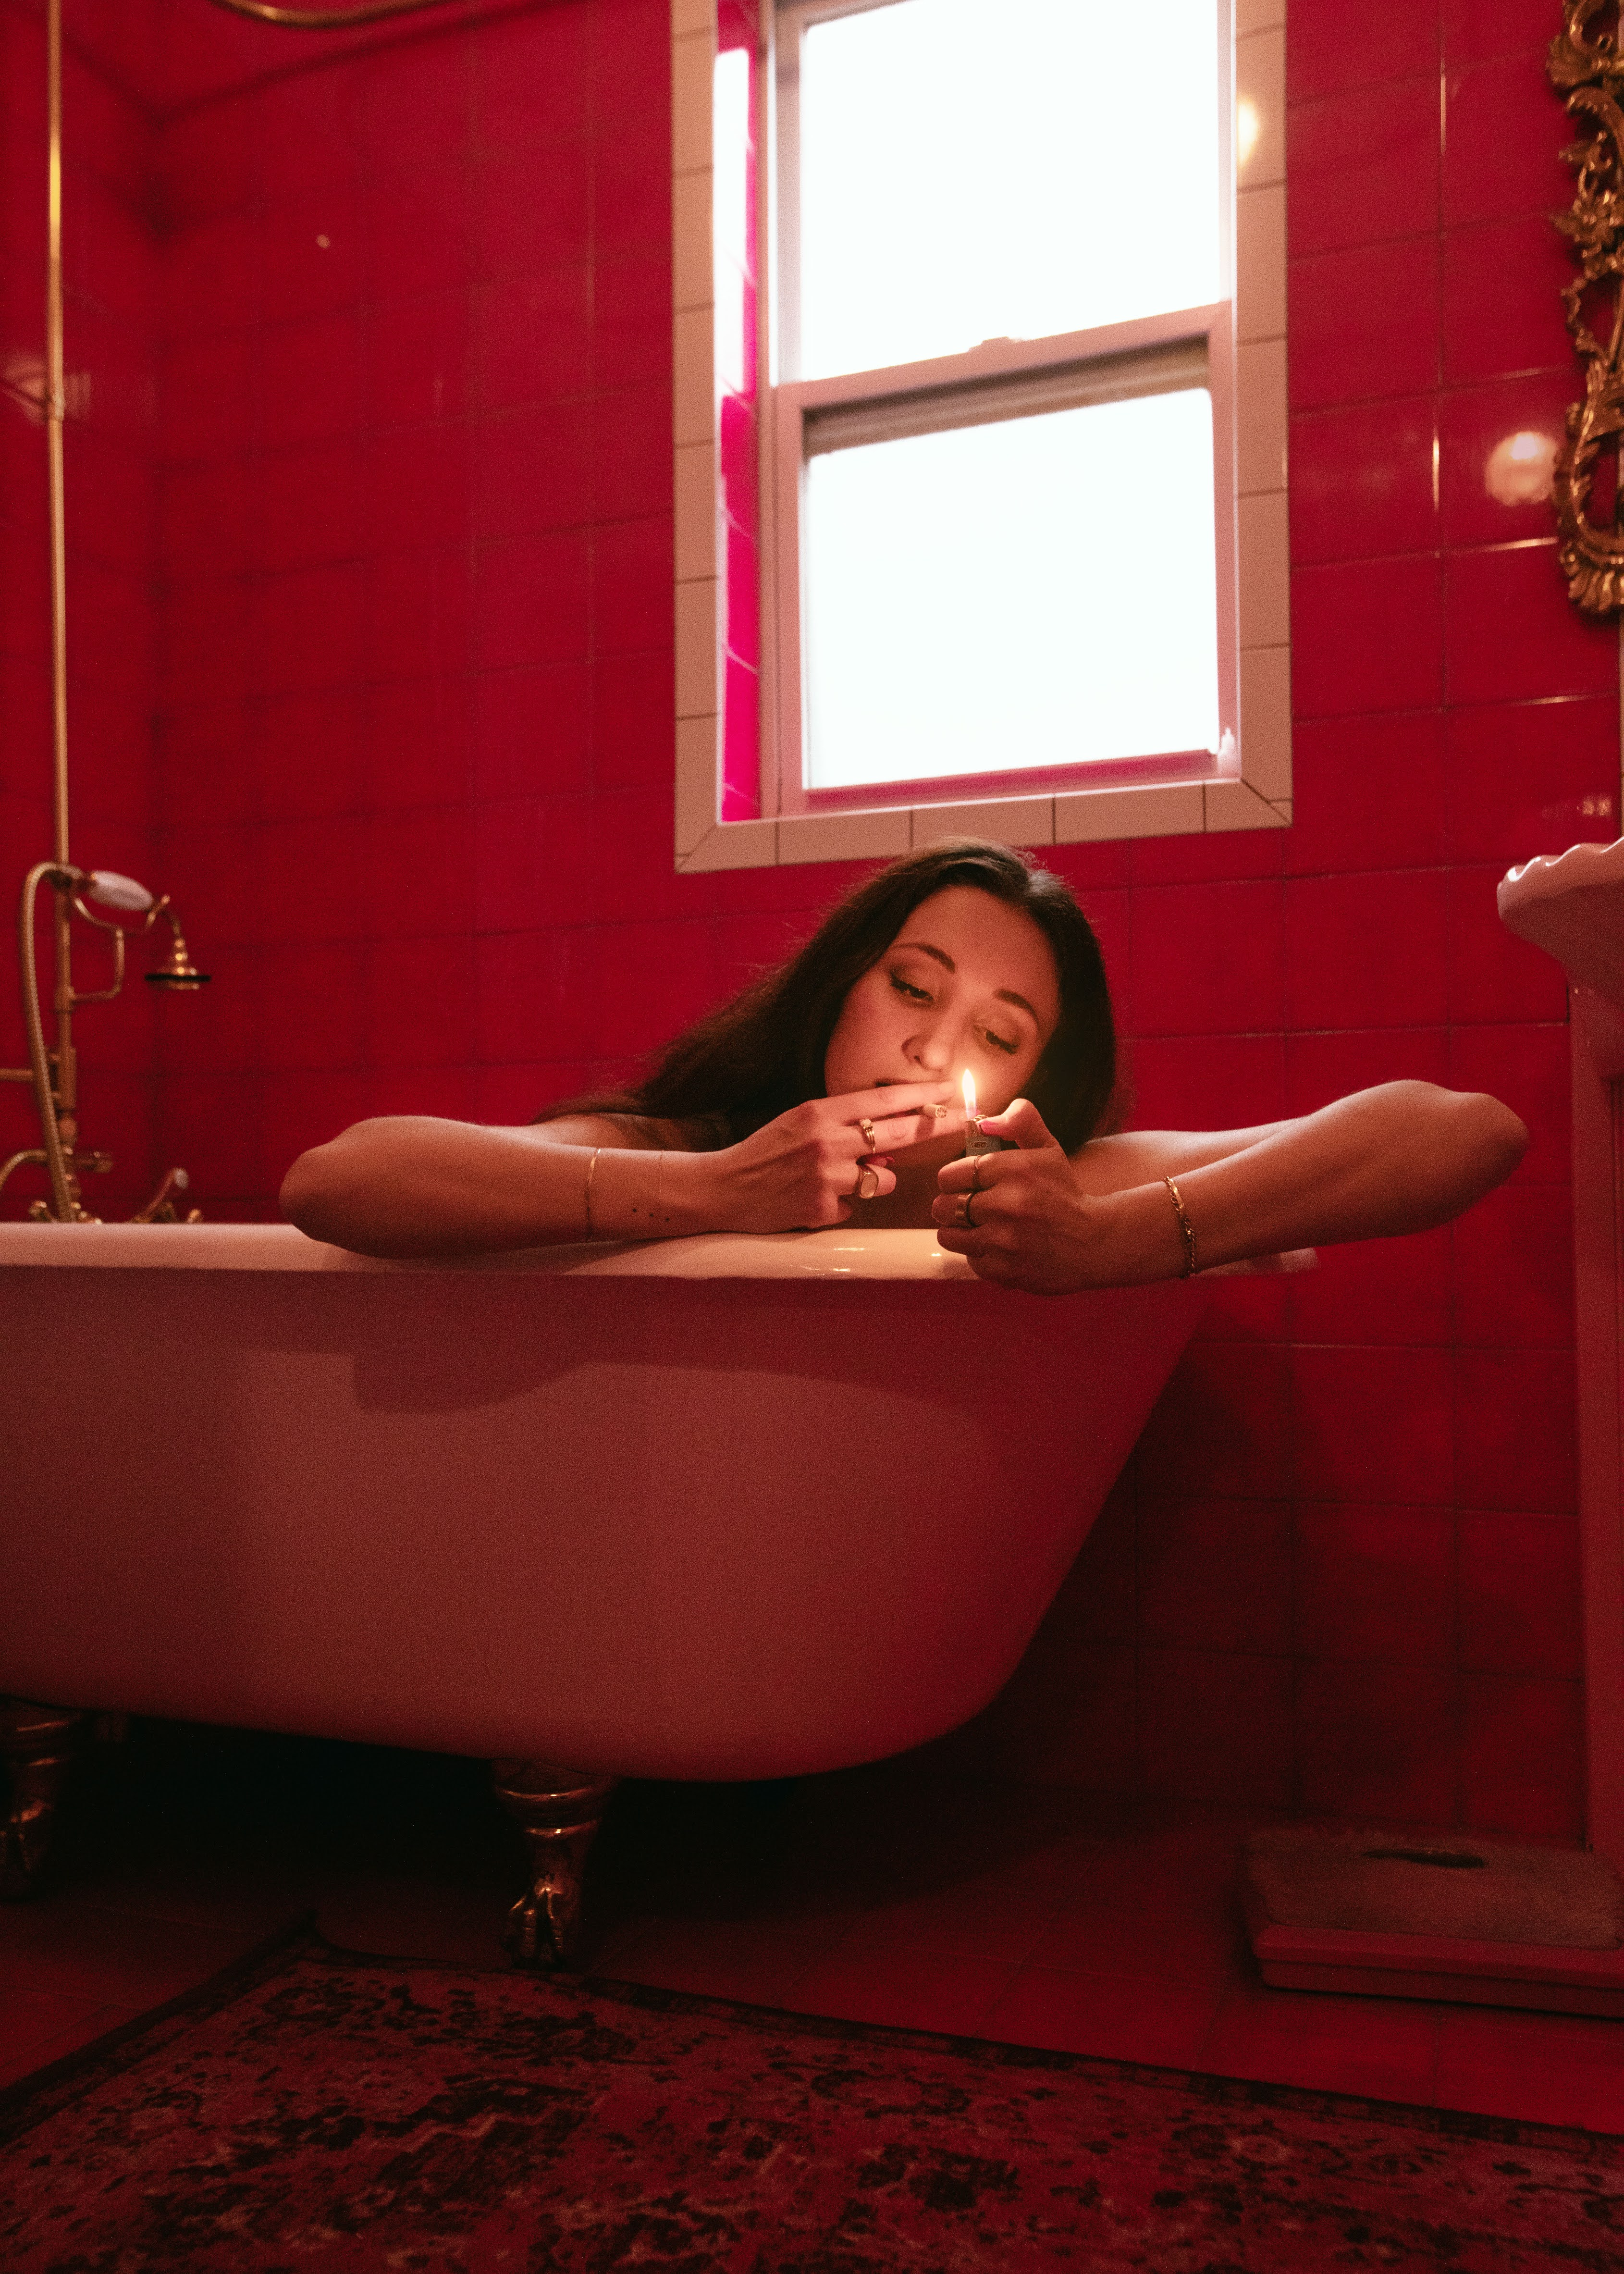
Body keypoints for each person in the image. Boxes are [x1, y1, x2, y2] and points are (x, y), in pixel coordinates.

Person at [280, 839, 1528, 1290]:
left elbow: (1466, 1132)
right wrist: (713, 1192)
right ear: (841, 987)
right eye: (915, 988)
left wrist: (1112, 1243)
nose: (933, 1047)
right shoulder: (688, 1144)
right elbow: (338, 1182)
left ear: (1035, 1084)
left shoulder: (1044, 1193)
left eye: (998, 1034)